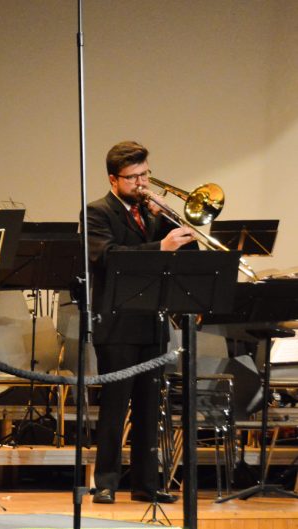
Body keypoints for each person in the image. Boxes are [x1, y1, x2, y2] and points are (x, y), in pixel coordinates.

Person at [85, 141, 196, 504]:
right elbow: (109, 258)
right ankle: (105, 482)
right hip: (116, 324)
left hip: (151, 321)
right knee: (115, 408)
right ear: (114, 179)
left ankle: (146, 484)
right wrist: (160, 247)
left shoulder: (152, 213)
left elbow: (180, 256)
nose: (142, 183)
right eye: (133, 177)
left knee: (151, 408)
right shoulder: (96, 213)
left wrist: (184, 227)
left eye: (146, 174)